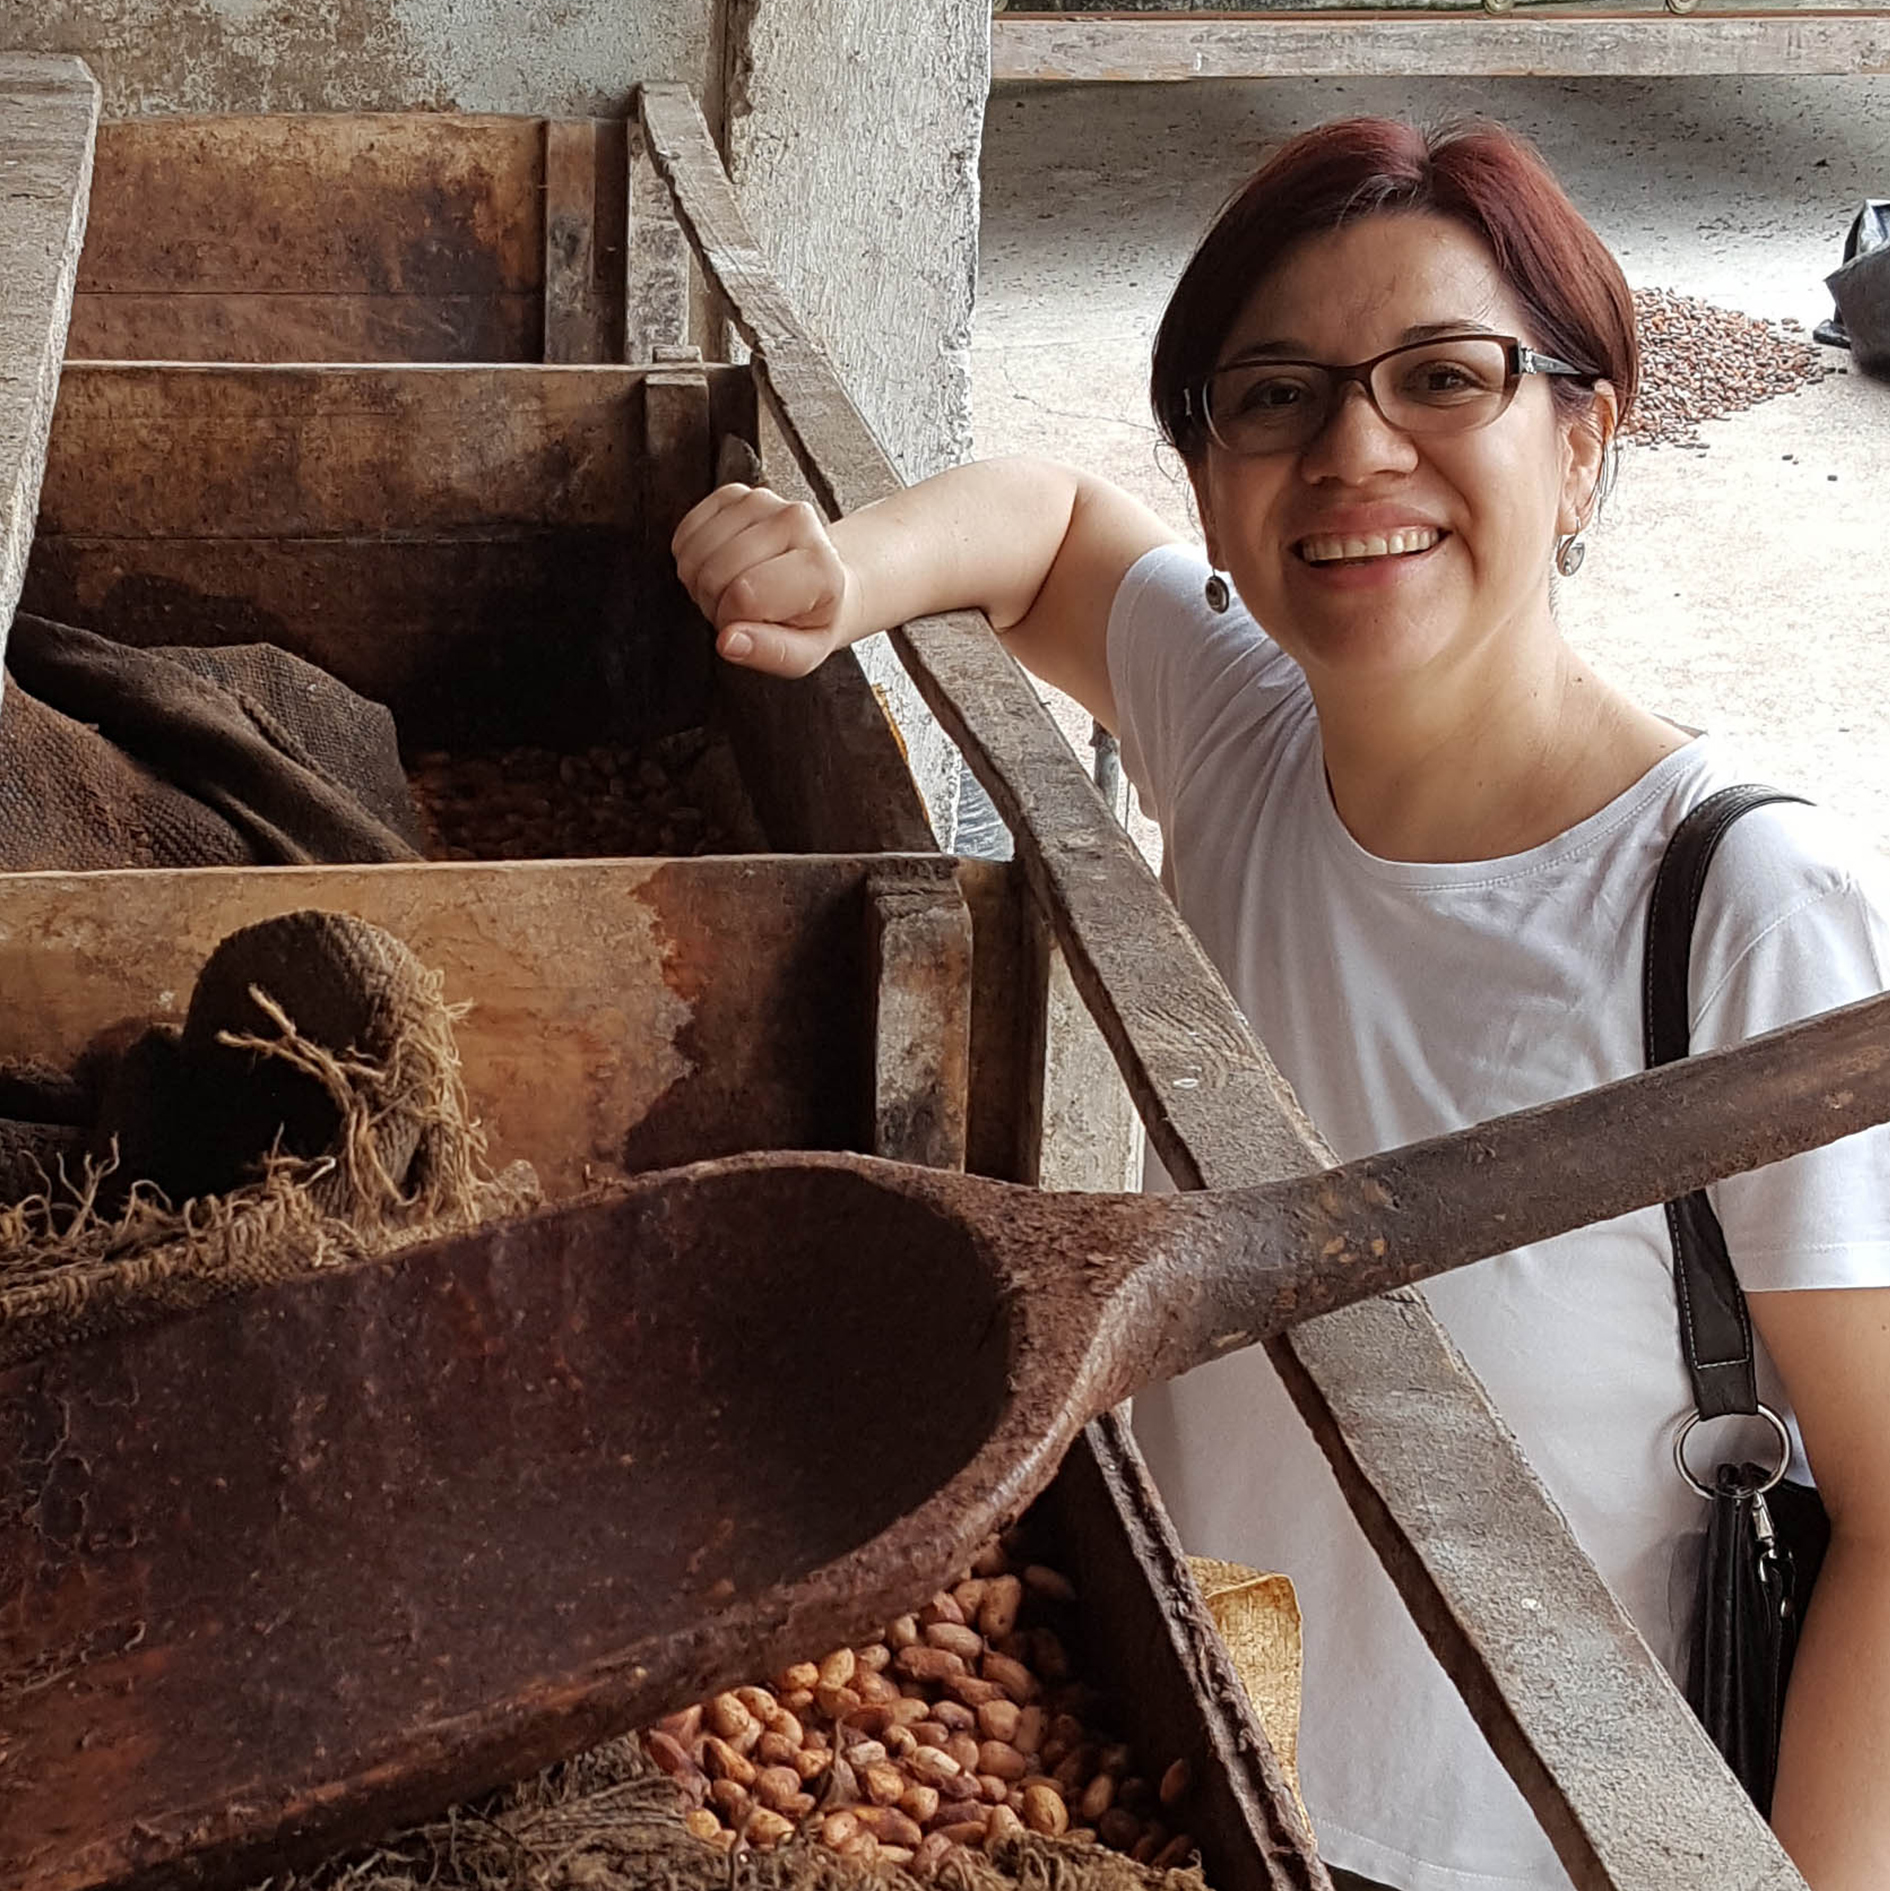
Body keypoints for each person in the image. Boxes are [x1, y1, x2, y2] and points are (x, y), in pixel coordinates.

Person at [672, 117, 1890, 1891]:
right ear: (1217, 477)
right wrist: (838, 572)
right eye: (1274, 396)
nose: (1352, 449)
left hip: (1530, 1849)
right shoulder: (1249, 732)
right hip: (1185, 1772)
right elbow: (1044, 528)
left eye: (1442, 377)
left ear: (1582, 440)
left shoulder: (1739, 918)